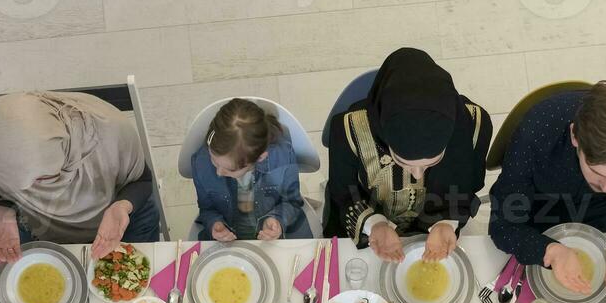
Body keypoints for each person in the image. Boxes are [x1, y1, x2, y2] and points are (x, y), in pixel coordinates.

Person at [488, 79, 606, 293]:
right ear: (574, 136)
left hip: (604, 210)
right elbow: (504, 225)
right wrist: (549, 251)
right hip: (537, 205)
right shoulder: (538, 130)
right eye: (597, 172)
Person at [323, 47, 492, 263]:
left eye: (433, 162)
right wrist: (375, 224)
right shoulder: (348, 130)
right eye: (403, 162)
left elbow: (469, 185)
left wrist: (446, 222)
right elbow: (344, 193)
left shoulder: (474, 126)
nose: (418, 175)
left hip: (436, 228)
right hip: (372, 233)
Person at [0, 90, 161, 263]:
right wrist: (2, 210)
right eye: (19, 186)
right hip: (39, 222)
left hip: (117, 217)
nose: (33, 189)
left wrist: (121, 207)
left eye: (44, 179)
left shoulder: (111, 133)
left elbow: (142, 180)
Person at [192, 98, 312, 242]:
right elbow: (207, 209)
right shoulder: (201, 162)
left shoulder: (282, 156)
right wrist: (215, 224)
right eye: (214, 161)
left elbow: (292, 201)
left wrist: (278, 219)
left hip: (276, 239)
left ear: (260, 157)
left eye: (230, 169)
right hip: (229, 240)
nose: (218, 172)